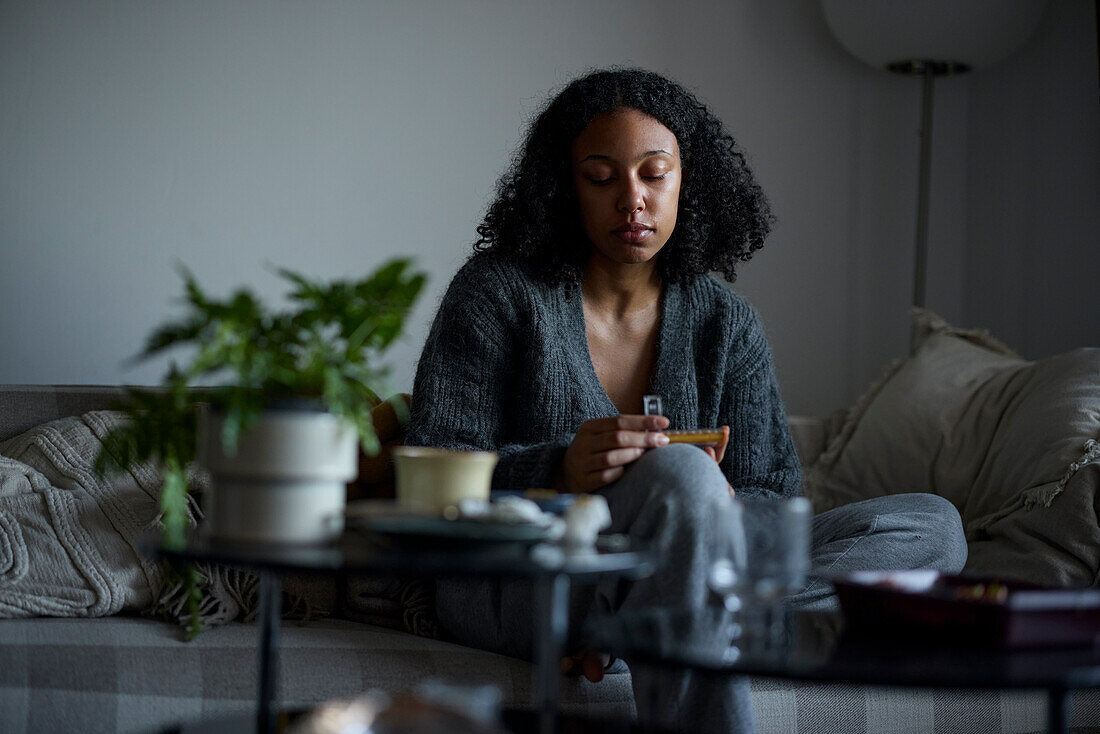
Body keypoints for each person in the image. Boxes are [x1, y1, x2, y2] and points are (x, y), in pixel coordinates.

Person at [405, 68, 967, 733]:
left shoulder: (728, 323)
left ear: (686, 179)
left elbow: (774, 498)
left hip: (688, 569)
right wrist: (557, 470)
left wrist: (726, 508)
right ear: (564, 185)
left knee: (932, 528)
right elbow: (431, 475)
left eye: (654, 173)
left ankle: (647, 621)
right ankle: (678, 612)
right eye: (601, 177)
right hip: (529, 581)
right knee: (682, 472)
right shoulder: (498, 293)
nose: (631, 201)